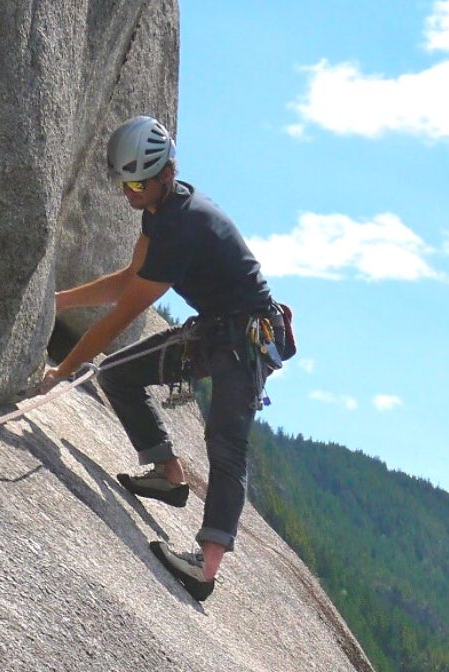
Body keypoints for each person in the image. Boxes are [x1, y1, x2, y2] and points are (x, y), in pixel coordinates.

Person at [45, 115, 283, 603]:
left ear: (164, 174)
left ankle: (206, 569)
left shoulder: (183, 224)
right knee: (118, 374)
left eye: (135, 182)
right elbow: (131, 278)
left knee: (225, 442)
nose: (127, 192)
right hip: (215, 329)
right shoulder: (159, 212)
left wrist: (61, 372)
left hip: (246, 338)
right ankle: (167, 474)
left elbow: (123, 312)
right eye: (122, 182)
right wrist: (61, 300)